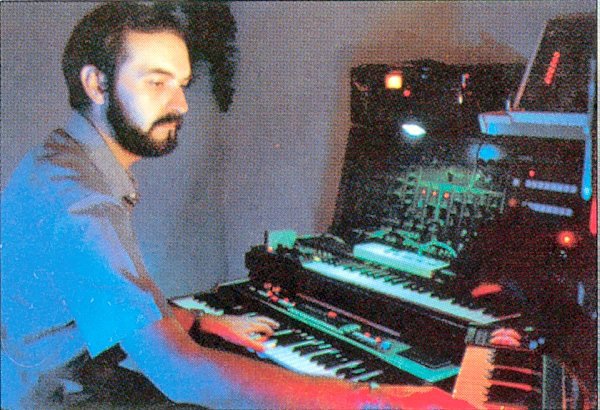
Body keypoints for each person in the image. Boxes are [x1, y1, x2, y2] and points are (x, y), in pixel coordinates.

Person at [1, 3, 475, 409]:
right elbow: (181, 375)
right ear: (96, 84)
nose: (181, 105)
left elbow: (120, 304)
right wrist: (377, 399)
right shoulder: (81, 203)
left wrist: (204, 321)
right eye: (157, 83)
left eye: (183, 83)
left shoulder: (62, 160)